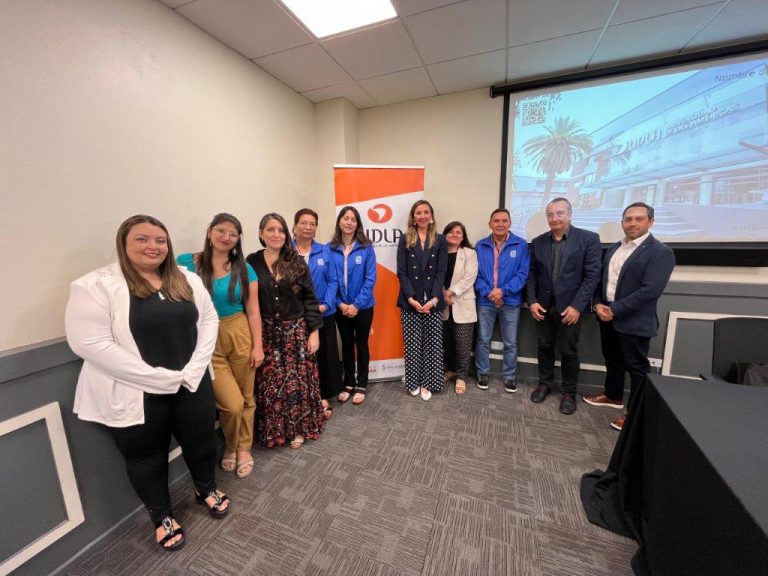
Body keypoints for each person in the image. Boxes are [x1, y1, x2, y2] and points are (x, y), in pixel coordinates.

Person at [65, 215, 228, 552]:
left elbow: (209, 319)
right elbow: (89, 344)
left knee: (201, 441)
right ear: (124, 243)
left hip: (191, 383)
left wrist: (193, 369)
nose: (153, 246)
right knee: (146, 457)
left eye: (160, 240)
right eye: (142, 239)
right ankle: (162, 516)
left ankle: (205, 488)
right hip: (135, 392)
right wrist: (160, 378)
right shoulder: (95, 285)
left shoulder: (185, 279)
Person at [177, 213, 263, 478]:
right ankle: (233, 443)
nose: (226, 237)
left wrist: (257, 346)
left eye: (233, 234)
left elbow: (253, 311)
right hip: (205, 337)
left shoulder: (244, 268)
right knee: (231, 403)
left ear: (238, 239)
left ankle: (242, 448)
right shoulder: (185, 263)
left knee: (247, 396)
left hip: (238, 331)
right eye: (221, 231)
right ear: (209, 231)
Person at [584, 202, 675, 431]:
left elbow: (650, 290)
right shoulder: (615, 248)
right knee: (612, 359)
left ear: (650, 222)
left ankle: (635, 414)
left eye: (639, 219)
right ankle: (613, 396)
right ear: (622, 222)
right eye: (628, 219)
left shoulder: (660, 252)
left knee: (636, 368)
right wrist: (597, 305)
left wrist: (615, 309)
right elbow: (600, 281)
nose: (632, 223)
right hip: (606, 314)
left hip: (633, 320)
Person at [246, 213, 324, 449]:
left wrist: (314, 332)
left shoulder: (296, 261)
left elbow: (310, 299)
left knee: (298, 383)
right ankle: (277, 431)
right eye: (270, 229)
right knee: (271, 383)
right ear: (261, 233)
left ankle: (300, 429)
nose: (276, 234)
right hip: (267, 334)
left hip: (296, 333)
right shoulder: (251, 262)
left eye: (280, 230)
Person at [526, 198, 602, 414]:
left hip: (571, 309)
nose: (554, 218)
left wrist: (577, 306)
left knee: (569, 351)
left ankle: (569, 392)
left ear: (570, 215)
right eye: (550, 215)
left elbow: (592, 276)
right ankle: (545, 383)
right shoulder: (538, 241)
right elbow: (531, 275)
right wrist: (532, 301)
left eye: (559, 213)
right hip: (543, 307)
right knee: (544, 346)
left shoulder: (588, 239)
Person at [293, 208, 342, 419]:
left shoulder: (325, 251)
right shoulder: (286, 253)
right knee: (300, 358)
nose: (308, 227)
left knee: (324, 355)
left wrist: (326, 303)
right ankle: (304, 396)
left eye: (312, 223)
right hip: (294, 317)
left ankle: (323, 395)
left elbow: (333, 280)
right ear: (294, 226)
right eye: (303, 223)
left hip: (324, 313)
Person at [396, 200, 448, 401]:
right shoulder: (405, 239)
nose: (423, 216)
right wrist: (411, 298)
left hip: (433, 302)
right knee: (413, 344)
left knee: (432, 345)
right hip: (411, 302)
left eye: (426, 212)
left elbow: (441, 272)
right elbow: (401, 272)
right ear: (413, 217)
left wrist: (435, 299)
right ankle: (413, 382)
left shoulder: (440, 240)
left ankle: (428, 382)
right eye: (419, 212)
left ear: (431, 216)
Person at [474, 208, 530, 392]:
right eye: (496, 221)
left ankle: (509, 376)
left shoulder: (521, 245)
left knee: (511, 342)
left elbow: (522, 274)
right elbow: (476, 274)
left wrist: (502, 292)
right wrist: (490, 292)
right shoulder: (480, 245)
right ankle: (482, 372)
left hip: (511, 302)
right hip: (485, 300)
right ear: (489, 224)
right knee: (483, 339)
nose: (500, 224)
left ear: (510, 224)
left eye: (504, 221)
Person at [329, 206, 377, 405]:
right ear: (339, 221)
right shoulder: (330, 249)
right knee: (346, 344)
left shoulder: (366, 247)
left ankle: (362, 383)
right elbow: (330, 280)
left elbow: (370, 279)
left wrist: (356, 305)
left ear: (358, 224)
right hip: (341, 307)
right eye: (345, 218)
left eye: (353, 219)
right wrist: (340, 305)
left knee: (361, 343)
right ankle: (348, 382)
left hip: (363, 307)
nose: (349, 222)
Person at [441, 221, 478, 395]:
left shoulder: (469, 253)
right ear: (445, 234)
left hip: (462, 303)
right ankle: (451, 370)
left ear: (463, 237)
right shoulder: (439, 253)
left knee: (463, 344)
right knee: (446, 342)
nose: (455, 234)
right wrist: (442, 294)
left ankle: (462, 376)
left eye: (459, 232)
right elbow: (435, 276)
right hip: (443, 305)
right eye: (452, 231)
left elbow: (470, 277)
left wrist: (450, 292)